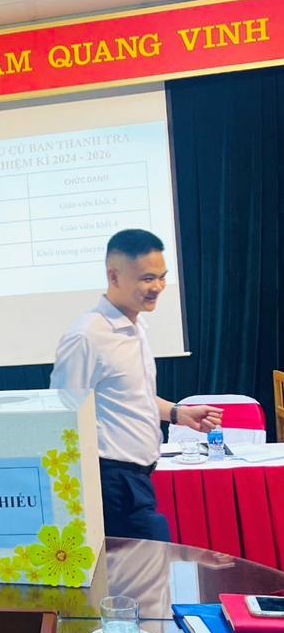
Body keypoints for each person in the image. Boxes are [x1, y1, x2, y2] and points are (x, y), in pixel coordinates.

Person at [50, 229, 222, 541]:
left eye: (162, 277)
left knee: (147, 566)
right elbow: (63, 413)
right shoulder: (87, 336)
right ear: (113, 276)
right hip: (111, 483)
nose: (158, 287)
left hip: (136, 480)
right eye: (147, 278)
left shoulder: (136, 326)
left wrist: (178, 413)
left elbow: (130, 396)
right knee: (148, 565)